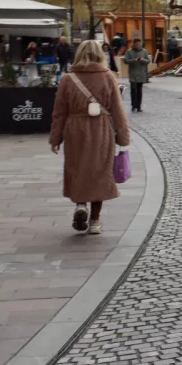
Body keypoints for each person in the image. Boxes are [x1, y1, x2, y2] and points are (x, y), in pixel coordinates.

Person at [48, 40, 130, 235]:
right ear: (99, 54)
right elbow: (117, 109)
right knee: (99, 171)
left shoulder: (68, 79)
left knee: (77, 168)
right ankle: (95, 220)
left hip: (75, 129)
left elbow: (59, 112)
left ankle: (80, 204)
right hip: (101, 129)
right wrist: (123, 137)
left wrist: (55, 138)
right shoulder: (107, 76)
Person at [123, 38, 150, 113]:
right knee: (133, 91)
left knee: (139, 91)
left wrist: (143, 60)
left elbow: (148, 61)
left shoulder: (144, 51)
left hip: (141, 74)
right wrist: (133, 60)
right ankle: (133, 106)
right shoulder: (129, 51)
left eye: (139, 44)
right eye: (137, 44)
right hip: (133, 74)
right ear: (133, 44)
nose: (138, 46)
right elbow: (125, 60)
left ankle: (139, 106)